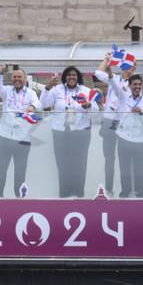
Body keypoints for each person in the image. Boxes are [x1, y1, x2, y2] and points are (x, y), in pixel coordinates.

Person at [96, 54, 143, 198]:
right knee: (109, 158)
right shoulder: (114, 78)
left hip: (123, 123)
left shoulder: (135, 85)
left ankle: (133, 190)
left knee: (125, 157)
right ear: (122, 65)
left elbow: (139, 104)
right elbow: (98, 73)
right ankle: (109, 189)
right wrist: (106, 60)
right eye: (129, 64)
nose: (131, 67)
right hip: (109, 120)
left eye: (133, 65)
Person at [40, 65, 98, 197]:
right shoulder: (56, 90)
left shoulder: (86, 91)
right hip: (60, 132)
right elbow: (43, 104)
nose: (71, 77)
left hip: (81, 132)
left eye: (74, 75)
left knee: (80, 164)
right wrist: (47, 87)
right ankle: (64, 194)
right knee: (62, 164)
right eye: (69, 75)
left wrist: (89, 106)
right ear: (65, 77)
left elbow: (95, 112)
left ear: (78, 77)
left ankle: (78, 193)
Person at [0, 64, 41, 197]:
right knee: (1, 171)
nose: (17, 79)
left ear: (25, 79)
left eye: (19, 77)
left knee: (20, 173)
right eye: (14, 77)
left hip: (22, 140)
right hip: (4, 138)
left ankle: (19, 200)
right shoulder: (6, 91)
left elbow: (38, 103)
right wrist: (1, 73)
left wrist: (32, 106)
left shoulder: (31, 93)